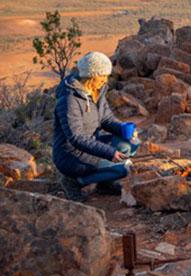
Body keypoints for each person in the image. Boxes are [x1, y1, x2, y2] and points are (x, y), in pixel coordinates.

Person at [52, 51, 140, 201]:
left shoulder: (96, 91)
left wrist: (123, 129)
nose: (105, 80)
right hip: (71, 155)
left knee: (130, 144)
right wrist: (109, 152)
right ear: (91, 75)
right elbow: (76, 138)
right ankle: (74, 182)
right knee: (125, 168)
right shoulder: (69, 100)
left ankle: (104, 184)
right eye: (103, 76)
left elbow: (106, 119)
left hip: (92, 144)